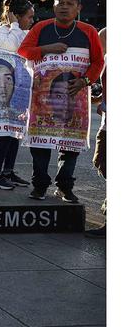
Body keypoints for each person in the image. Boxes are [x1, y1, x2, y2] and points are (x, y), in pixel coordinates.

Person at [18, 0, 104, 203]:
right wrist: (47, 48)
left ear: (78, 8)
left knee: (70, 144)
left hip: (75, 99)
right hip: (42, 99)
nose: (64, 6)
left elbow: (98, 61)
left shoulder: (89, 31)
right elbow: (24, 51)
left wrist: (85, 80)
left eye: (70, 3)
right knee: (40, 144)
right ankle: (39, 186)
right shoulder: (41, 28)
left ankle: (65, 186)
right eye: (60, 3)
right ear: (53, 6)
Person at [0, 0, 34, 189]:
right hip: (5, 89)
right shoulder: (0, 32)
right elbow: (13, 46)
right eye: (29, 17)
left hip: (21, 89)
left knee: (16, 132)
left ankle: (8, 171)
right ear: (16, 15)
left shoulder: (26, 32)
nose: (32, 20)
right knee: (5, 132)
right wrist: (14, 25)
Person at [86, 27, 106, 238]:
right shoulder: (105, 61)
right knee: (100, 162)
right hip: (106, 125)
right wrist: (97, 101)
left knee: (104, 163)